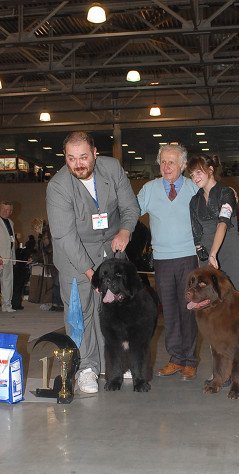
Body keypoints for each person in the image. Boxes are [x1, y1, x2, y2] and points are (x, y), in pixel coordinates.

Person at [46, 131, 140, 393]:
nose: (78, 164)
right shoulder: (58, 186)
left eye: (84, 157)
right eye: (71, 158)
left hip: (111, 248)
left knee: (114, 310)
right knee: (82, 311)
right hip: (74, 255)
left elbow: (130, 207)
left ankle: (115, 363)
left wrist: (125, 230)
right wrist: (91, 272)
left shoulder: (112, 168)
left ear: (95, 153)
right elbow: (65, 235)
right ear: (65, 158)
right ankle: (85, 367)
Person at [137, 143, 199, 381]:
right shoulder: (149, 189)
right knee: (170, 312)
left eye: (172, 162)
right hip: (162, 260)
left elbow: (213, 199)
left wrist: (229, 194)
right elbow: (132, 211)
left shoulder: (194, 187)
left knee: (188, 310)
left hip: (189, 257)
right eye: (163, 162)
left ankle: (190, 361)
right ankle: (175, 359)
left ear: (183, 165)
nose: (166, 166)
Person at [187, 154, 239, 292]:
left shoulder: (226, 192)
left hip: (228, 248)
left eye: (198, 172)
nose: (195, 178)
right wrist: (202, 255)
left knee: (232, 292)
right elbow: (196, 233)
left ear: (210, 170)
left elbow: (222, 223)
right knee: (210, 294)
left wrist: (213, 253)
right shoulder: (194, 201)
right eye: (192, 175)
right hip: (206, 253)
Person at [0, 201, 16, 312]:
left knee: (8, 282)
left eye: (9, 210)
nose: (7, 212)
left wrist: (13, 257)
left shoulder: (11, 222)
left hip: (9, 257)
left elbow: (12, 241)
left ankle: (7, 305)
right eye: (4, 209)